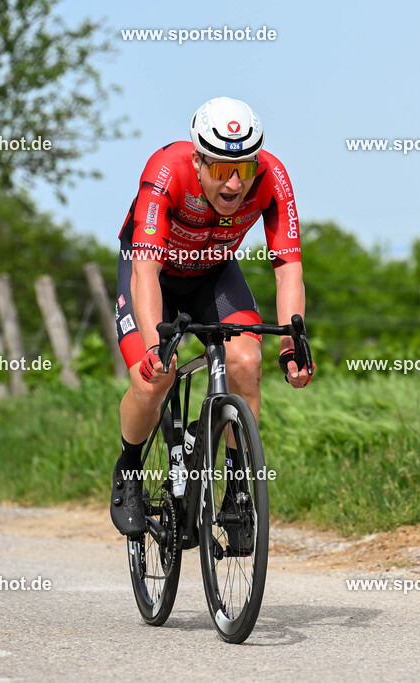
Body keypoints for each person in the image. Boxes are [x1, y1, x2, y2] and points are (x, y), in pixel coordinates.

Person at [110, 97, 311, 537]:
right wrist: (152, 348)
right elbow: (145, 269)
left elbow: (288, 266)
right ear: (198, 159)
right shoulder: (167, 169)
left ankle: (238, 491)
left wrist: (291, 343)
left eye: (245, 169)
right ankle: (128, 470)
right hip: (153, 274)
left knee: (245, 362)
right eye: (220, 170)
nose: (234, 184)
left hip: (213, 274)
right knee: (154, 379)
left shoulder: (273, 177)